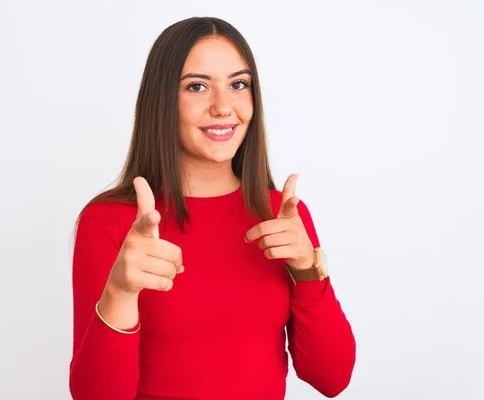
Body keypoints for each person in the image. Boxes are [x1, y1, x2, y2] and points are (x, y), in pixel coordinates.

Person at [68, 16, 356, 400]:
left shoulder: (282, 215)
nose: (223, 107)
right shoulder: (110, 221)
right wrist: (120, 291)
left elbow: (331, 378)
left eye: (238, 85)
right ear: (162, 101)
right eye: (197, 87)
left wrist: (308, 271)